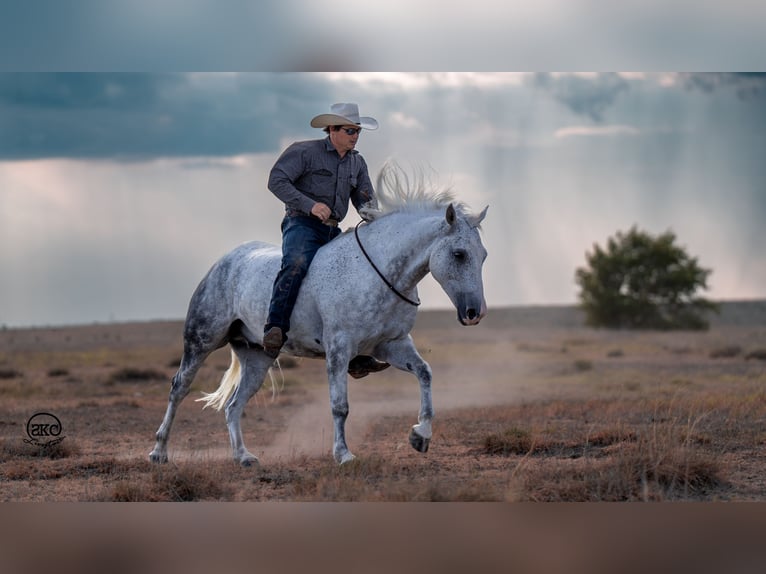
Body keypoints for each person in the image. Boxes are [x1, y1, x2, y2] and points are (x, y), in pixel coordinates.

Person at [263, 103, 389, 379]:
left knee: (357, 276)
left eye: (357, 131)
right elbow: (277, 180)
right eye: (349, 130)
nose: (355, 136)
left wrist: (377, 220)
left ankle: (354, 353)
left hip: (333, 229)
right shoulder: (304, 151)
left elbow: (365, 200)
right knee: (296, 262)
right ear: (332, 129)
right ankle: (275, 328)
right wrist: (309, 205)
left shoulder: (357, 162)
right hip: (302, 224)